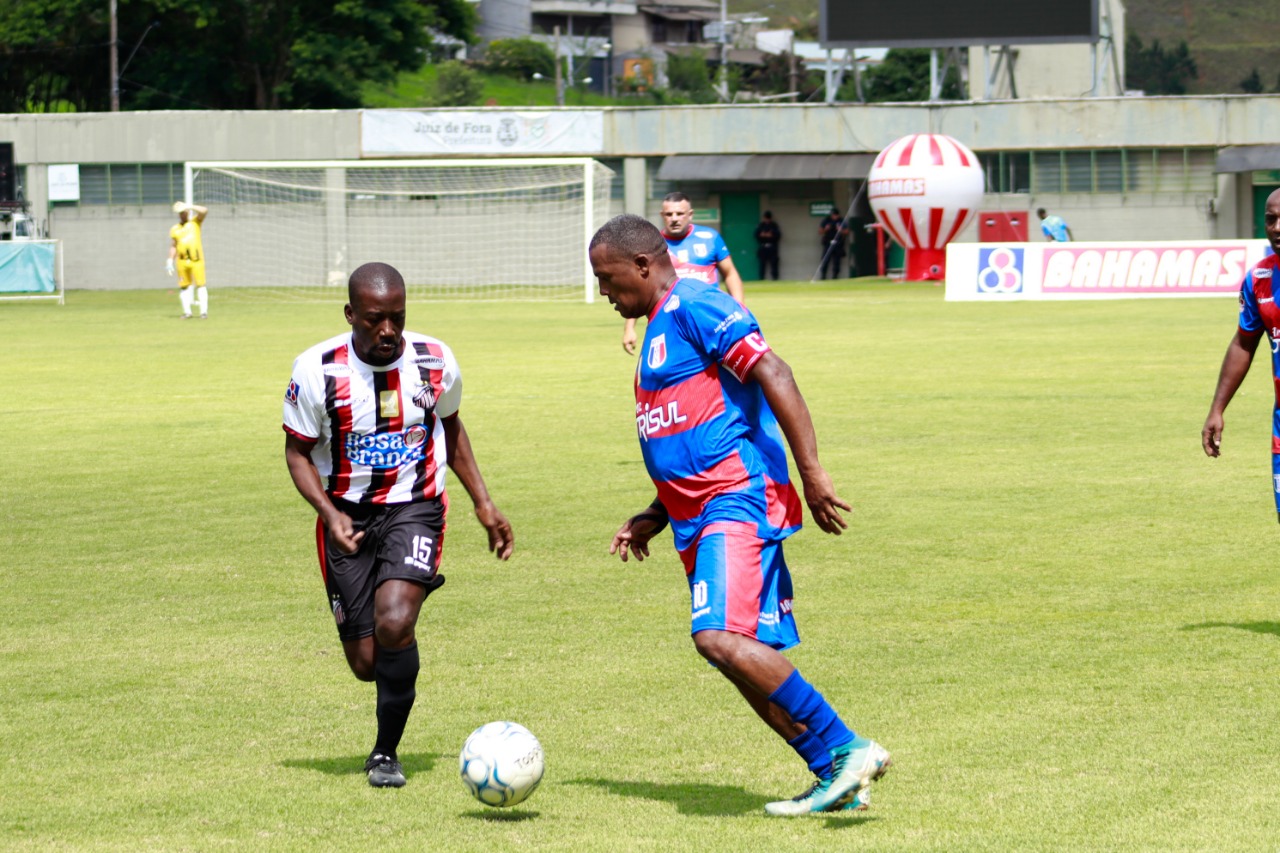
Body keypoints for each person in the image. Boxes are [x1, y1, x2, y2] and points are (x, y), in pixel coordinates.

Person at [590, 214, 891, 817]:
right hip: (692, 514)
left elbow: (773, 372)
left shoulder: (697, 304)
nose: (602, 290)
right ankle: (832, 770)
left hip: (736, 497)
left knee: (718, 638)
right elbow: (687, 422)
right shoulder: (656, 326)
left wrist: (812, 471)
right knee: (739, 656)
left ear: (644, 265)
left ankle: (848, 747)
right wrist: (654, 510)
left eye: (607, 276)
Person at [282, 262, 514, 789]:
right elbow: (296, 453)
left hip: (415, 507)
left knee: (393, 623)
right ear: (350, 315)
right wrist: (330, 514)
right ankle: (402, 590)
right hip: (346, 517)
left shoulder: (435, 360)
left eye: (397, 318)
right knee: (367, 662)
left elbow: (450, 429)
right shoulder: (316, 370)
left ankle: (385, 753)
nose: (388, 331)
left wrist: (484, 502)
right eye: (374, 320)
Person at [1202, 187, 1280, 521]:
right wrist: (1217, 409)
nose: (1276, 227)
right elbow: (1243, 344)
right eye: (1270, 219)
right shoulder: (1260, 279)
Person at [621, 192, 745, 355]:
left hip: (710, 318)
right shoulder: (651, 245)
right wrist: (629, 328)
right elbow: (641, 287)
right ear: (662, 216)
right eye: (669, 214)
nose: (674, 218)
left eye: (679, 214)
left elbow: (730, 274)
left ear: (690, 214)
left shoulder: (710, 238)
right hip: (669, 322)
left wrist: (740, 309)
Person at [166, 201, 210, 319]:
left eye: (184, 212)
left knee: (201, 285)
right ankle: (187, 312)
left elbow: (204, 211)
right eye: (180, 213)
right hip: (182, 261)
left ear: (188, 212)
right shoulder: (175, 229)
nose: (183, 215)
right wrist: (170, 260)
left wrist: (189, 206)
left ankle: (203, 312)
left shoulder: (195, 222)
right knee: (184, 286)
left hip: (196, 260)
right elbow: (174, 245)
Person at [818, 208, 849, 280]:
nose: (833, 216)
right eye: (832, 215)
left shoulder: (841, 221)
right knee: (825, 260)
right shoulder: (826, 220)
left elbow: (847, 232)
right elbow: (820, 231)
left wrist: (840, 230)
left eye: (835, 215)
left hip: (838, 244)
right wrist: (826, 229)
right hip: (828, 243)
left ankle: (835, 276)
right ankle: (823, 276)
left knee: (837, 261)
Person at [754, 210, 782, 281]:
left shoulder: (774, 225)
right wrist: (765, 235)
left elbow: (777, 235)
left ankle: (775, 278)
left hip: (772, 247)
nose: (766, 220)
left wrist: (768, 235)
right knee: (762, 264)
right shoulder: (761, 225)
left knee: (774, 264)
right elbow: (757, 234)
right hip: (763, 247)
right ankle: (761, 279)